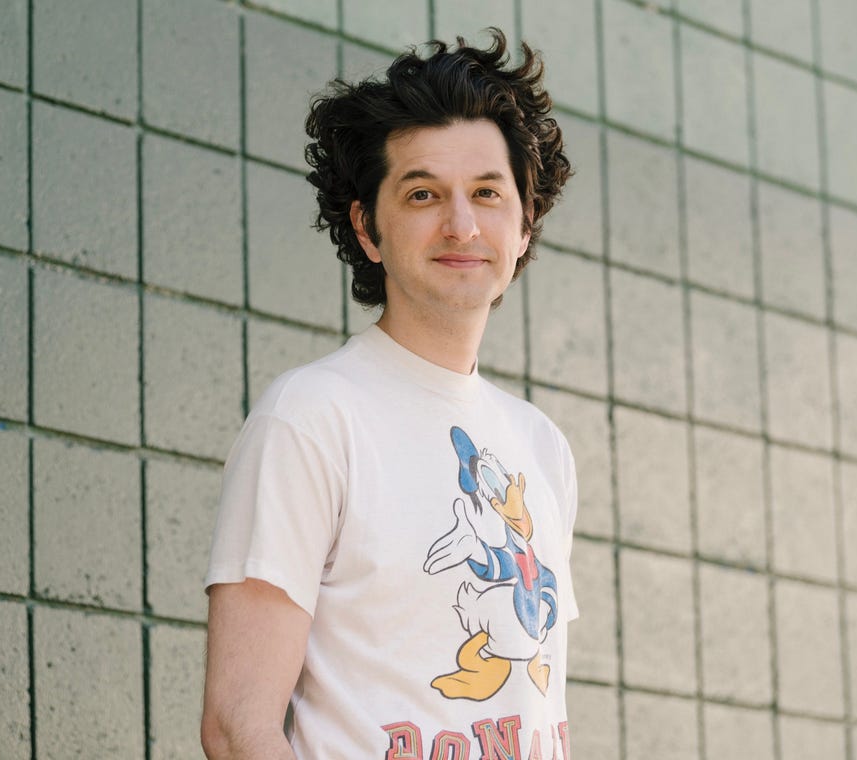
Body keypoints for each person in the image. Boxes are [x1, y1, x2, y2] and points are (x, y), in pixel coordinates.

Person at [201, 28, 577, 760]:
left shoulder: (542, 446)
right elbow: (238, 727)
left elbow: (536, 709)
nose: (461, 224)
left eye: (488, 194)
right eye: (423, 193)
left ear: (525, 225)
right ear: (368, 228)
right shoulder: (312, 418)